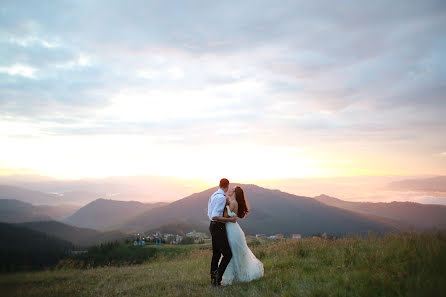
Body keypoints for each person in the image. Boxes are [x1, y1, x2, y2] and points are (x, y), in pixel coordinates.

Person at [212, 186, 264, 285]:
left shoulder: (233, 203)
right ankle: (232, 275)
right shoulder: (231, 202)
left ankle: (232, 276)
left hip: (231, 230)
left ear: (235, 193)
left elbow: (225, 216)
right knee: (232, 253)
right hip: (231, 228)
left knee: (231, 252)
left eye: (232, 190)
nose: (230, 190)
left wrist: (222, 209)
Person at [208, 178, 237, 286]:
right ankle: (217, 280)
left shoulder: (214, 195)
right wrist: (230, 220)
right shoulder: (221, 198)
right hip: (218, 227)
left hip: (213, 226)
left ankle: (213, 280)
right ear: (227, 186)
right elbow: (215, 216)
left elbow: (210, 214)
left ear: (219, 185)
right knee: (228, 254)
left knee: (216, 254)